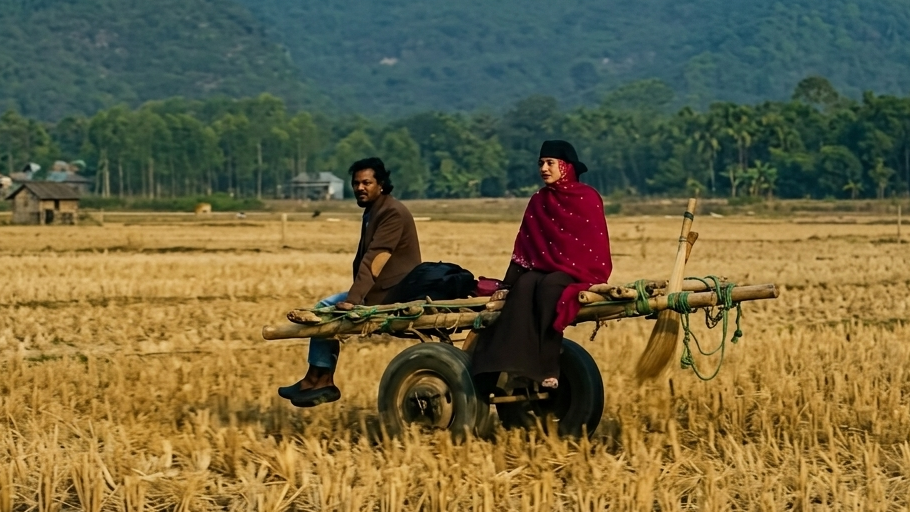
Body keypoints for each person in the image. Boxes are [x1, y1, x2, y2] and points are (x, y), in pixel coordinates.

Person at [279, 157, 422, 407]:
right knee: (325, 308)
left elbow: (376, 260)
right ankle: (317, 378)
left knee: (325, 310)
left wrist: (353, 300)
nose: (360, 188)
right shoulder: (374, 211)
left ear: (381, 184)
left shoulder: (391, 212)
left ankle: (319, 379)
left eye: (367, 182)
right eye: (356, 183)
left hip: (393, 293)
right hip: (381, 289)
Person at [471, 140, 612, 389]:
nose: (544, 169)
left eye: (550, 163)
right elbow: (524, 248)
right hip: (543, 269)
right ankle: (504, 365)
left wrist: (568, 269)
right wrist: (507, 284)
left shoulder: (587, 198)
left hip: (578, 271)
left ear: (566, 167)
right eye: (541, 164)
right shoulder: (539, 200)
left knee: (550, 288)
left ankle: (548, 367)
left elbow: (592, 247)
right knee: (524, 287)